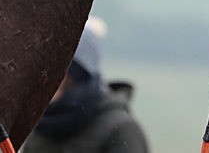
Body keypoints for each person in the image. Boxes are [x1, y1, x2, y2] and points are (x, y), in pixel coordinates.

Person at [20, 18, 150, 153]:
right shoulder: (41, 129)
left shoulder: (122, 132)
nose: (41, 81)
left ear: (75, 78)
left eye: (52, 73)